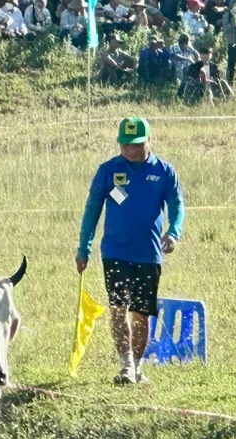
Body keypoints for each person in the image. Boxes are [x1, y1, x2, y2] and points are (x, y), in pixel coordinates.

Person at [76, 116, 184, 385]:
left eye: (136, 145)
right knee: (117, 307)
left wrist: (173, 232)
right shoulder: (108, 170)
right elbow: (92, 210)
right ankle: (125, 364)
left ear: (149, 141)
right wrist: (84, 247)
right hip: (114, 251)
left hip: (148, 253)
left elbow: (177, 206)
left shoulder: (164, 172)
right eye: (124, 144)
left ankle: (137, 364)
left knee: (141, 312)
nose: (129, 150)